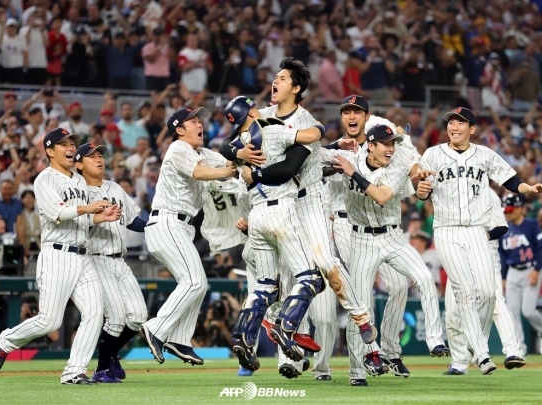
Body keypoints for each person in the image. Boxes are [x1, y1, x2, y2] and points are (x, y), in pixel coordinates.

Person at [228, 58, 374, 381]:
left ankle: (361, 317)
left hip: (310, 201)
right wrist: (238, 154)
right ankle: (288, 355)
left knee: (325, 264)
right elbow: (231, 142)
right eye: (274, 77)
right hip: (282, 207)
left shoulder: (306, 121)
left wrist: (325, 141)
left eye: (282, 78)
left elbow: (291, 166)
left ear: (296, 88)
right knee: (284, 277)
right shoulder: (263, 116)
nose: (274, 82)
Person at [414, 107, 542, 375]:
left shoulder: (483, 154)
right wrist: (422, 191)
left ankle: (476, 344)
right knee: (464, 291)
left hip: (476, 230)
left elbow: (509, 178)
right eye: (451, 122)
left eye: (461, 123)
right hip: (447, 229)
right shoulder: (433, 154)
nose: (455, 126)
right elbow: (422, 189)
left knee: (488, 293)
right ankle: (482, 355)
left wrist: (527, 189)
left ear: (472, 129)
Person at [0, 127, 121, 385]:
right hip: (57, 255)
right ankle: (5, 342)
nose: (70, 147)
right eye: (63, 144)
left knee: (95, 312)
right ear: (49, 151)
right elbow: (58, 213)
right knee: (49, 322)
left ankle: (74, 372)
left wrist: (98, 217)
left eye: (71, 142)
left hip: (83, 256)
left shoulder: (80, 180)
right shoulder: (44, 179)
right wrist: (88, 207)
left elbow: (82, 219)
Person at [332, 124, 449, 387]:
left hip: (393, 236)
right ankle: (356, 372)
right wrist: (333, 155)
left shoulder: (397, 165)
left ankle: (435, 341)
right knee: (360, 308)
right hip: (361, 239)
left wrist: (353, 174)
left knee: (424, 278)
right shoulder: (351, 158)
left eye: (393, 143)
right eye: (385, 143)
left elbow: (382, 196)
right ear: (370, 145)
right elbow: (317, 159)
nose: (390, 148)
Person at [222, 95, 328, 372]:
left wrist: (237, 155)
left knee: (266, 285)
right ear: (252, 110)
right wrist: (320, 127)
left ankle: (243, 337)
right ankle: (285, 325)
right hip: (281, 210)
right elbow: (312, 135)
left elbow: (225, 148)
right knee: (311, 278)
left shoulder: (237, 143)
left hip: (256, 215)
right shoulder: (271, 126)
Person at [140, 107, 236, 366]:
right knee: (194, 282)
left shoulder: (201, 152)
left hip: (181, 227)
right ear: (179, 130)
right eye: (192, 120)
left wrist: (241, 155)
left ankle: (180, 339)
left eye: (199, 120)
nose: (199, 123)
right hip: (167, 221)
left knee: (198, 284)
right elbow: (200, 173)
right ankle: (157, 329)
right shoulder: (178, 148)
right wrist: (227, 171)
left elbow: (229, 164)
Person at [74, 142, 148, 383]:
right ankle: (102, 369)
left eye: (100, 155)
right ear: (78, 164)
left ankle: (111, 354)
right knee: (115, 317)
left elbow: (134, 220)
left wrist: (158, 224)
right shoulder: (77, 192)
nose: (98, 159)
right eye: (91, 156)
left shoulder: (114, 187)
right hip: (95, 259)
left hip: (119, 260)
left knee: (138, 315)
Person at [444, 189, 525, 375]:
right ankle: (459, 362)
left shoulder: (488, 195)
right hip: (457, 254)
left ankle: (513, 351)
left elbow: (501, 226)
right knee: (453, 312)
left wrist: (480, 237)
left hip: (485, 252)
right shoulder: (450, 190)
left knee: (495, 301)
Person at [499, 193, 542, 357]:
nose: (507, 214)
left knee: (528, 311)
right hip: (512, 272)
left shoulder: (531, 225)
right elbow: (502, 255)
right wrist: (503, 277)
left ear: (519, 208)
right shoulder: (504, 228)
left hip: (530, 269)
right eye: (505, 211)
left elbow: (540, 249)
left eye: (509, 210)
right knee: (512, 312)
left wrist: (536, 270)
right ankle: (518, 349)